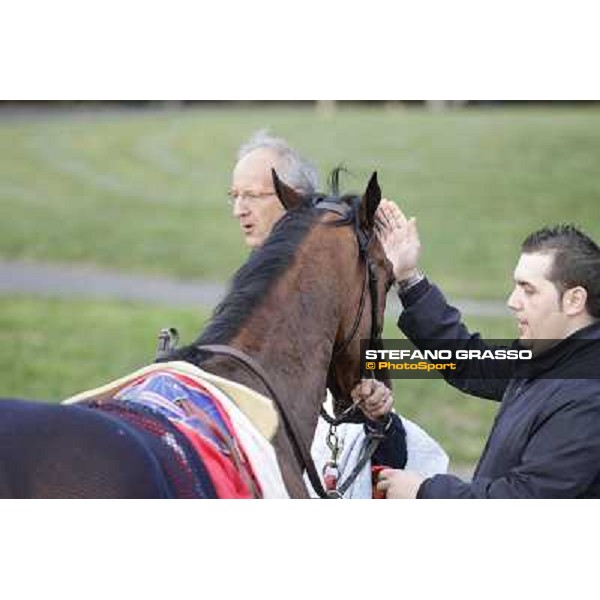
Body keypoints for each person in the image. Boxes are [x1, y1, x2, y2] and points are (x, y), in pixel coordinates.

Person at [229, 131, 448, 498]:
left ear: (292, 198)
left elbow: (469, 362)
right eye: (234, 196)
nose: (239, 209)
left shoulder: (333, 286)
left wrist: (376, 406)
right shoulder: (251, 282)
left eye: (251, 195)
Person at [368, 199, 600, 498]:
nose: (512, 301)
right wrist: (408, 277)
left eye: (528, 289)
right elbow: (470, 362)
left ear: (574, 300)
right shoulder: (549, 354)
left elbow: (525, 500)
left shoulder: (588, 399)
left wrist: (424, 492)